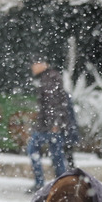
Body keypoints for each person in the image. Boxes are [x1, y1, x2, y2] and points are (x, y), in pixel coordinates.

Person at [27, 61, 72, 193]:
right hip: (50, 124)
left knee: (34, 150)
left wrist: (54, 124)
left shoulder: (49, 79)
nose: (32, 68)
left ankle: (41, 182)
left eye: (34, 64)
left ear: (43, 64)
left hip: (47, 126)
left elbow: (53, 103)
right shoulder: (50, 77)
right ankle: (62, 184)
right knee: (56, 154)